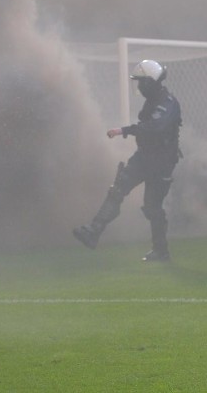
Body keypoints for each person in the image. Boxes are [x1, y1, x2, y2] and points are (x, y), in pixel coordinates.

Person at [73, 60, 182, 261]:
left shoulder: (168, 102)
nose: (139, 86)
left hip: (162, 161)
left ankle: (161, 250)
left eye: (141, 82)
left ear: (150, 82)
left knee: (152, 207)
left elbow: (156, 127)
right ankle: (94, 230)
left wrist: (125, 130)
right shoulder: (153, 101)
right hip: (144, 156)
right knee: (118, 188)